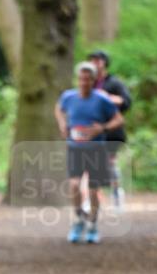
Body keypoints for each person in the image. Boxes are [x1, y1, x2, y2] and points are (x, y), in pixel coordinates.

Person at [54, 62, 124, 244]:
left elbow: (118, 119)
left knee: (93, 190)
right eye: (81, 79)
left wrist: (102, 128)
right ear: (78, 79)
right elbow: (59, 109)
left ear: (94, 80)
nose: (84, 82)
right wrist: (62, 124)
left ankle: (92, 224)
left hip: (96, 151)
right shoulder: (68, 97)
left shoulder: (102, 100)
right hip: (75, 149)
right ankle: (78, 220)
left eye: (88, 79)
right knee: (74, 186)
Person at [87, 49, 132, 208]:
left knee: (110, 165)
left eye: (98, 60)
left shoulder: (114, 83)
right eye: (92, 60)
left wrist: (106, 98)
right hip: (91, 131)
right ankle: (92, 198)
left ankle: (116, 195)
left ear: (104, 63)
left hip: (111, 131)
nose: (95, 63)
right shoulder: (87, 83)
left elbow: (126, 102)